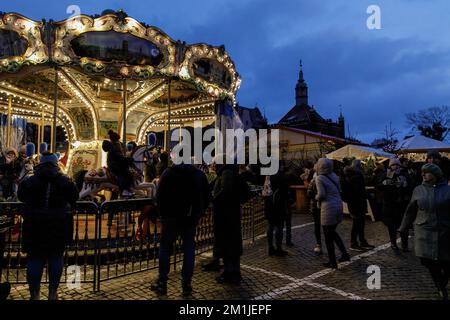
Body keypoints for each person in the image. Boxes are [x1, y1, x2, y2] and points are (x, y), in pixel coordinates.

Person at [17, 152, 79, 300]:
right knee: (56, 257)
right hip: (59, 224)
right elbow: (74, 197)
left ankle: (35, 294)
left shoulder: (30, 181)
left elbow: (21, 196)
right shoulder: (66, 180)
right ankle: (52, 292)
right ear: (55, 163)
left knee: (35, 258)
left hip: (34, 224)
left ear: (41, 163)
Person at [150, 163, 210, 296]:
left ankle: (162, 282)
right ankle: (186, 283)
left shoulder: (168, 172)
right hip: (190, 217)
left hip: (171, 217)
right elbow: (207, 196)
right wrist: (199, 213)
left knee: (165, 247)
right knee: (189, 247)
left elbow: (159, 196)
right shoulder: (198, 174)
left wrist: (163, 214)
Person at [399, 164, 450, 300]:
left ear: (436, 175)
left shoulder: (447, 190)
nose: (423, 175)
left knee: (446, 262)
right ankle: (440, 287)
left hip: (444, 231)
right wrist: (403, 227)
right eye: (422, 173)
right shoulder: (418, 190)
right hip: (424, 232)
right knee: (428, 261)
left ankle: (442, 283)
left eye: (426, 173)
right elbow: (410, 211)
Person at [212, 156, 251, 284]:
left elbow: (225, 191)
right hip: (232, 213)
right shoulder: (232, 172)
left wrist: (215, 201)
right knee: (232, 244)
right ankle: (235, 272)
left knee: (227, 244)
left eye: (214, 163)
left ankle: (230, 272)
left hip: (226, 215)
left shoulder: (226, 173)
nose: (213, 166)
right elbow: (246, 193)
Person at [315, 158, 350, 269]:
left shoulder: (319, 178)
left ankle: (332, 262)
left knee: (328, 236)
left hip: (328, 208)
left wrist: (315, 197)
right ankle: (344, 254)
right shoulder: (334, 176)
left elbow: (322, 195)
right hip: (338, 205)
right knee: (333, 232)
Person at [377, 158, 411, 251]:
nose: (395, 167)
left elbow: (411, 186)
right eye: (393, 165)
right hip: (389, 204)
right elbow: (379, 186)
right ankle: (393, 243)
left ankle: (405, 245)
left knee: (404, 225)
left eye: (397, 165)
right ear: (390, 166)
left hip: (402, 204)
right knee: (392, 226)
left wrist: (405, 184)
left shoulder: (404, 174)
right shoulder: (385, 175)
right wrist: (385, 183)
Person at [341, 160, 374, 251]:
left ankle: (361, 241)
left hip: (354, 203)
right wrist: (368, 195)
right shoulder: (357, 177)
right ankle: (354, 243)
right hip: (358, 203)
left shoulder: (349, 177)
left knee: (358, 223)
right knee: (358, 223)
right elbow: (359, 192)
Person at [263, 173, 289, 257]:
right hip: (278, 203)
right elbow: (285, 191)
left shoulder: (267, 175)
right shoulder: (280, 176)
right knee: (279, 225)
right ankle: (278, 248)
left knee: (270, 225)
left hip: (268, 203)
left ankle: (270, 247)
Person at [105, 130, 134, 197]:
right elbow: (120, 157)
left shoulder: (114, 146)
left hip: (113, 164)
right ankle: (124, 190)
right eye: (118, 139)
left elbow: (120, 157)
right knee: (127, 173)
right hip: (114, 166)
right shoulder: (115, 147)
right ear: (116, 140)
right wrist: (128, 159)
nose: (119, 141)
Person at [306, 166, 322, 255]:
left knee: (320, 226)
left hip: (320, 206)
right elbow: (308, 194)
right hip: (316, 206)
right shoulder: (313, 181)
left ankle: (319, 244)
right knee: (318, 226)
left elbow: (308, 194)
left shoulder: (323, 179)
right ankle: (319, 244)